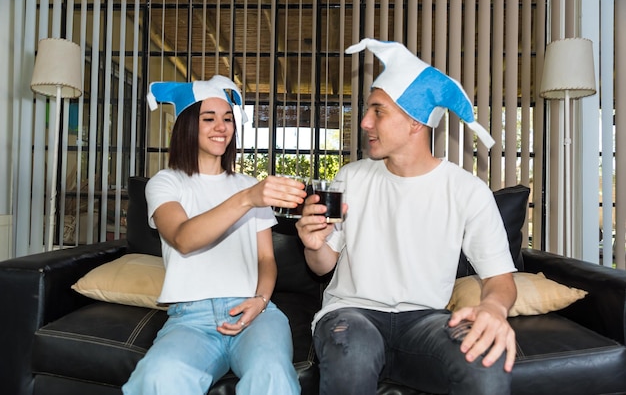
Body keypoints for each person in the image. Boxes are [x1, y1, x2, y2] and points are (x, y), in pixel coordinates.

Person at [296, 39, 517, 395]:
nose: (365, 121)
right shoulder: (350, 177)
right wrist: (313, 244)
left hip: (426, 320)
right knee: (351, 359)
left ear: (415, 122)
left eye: (378, 111)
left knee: (487, 368)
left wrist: (492, 307)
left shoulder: (467, 190)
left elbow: (500, 280)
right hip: (353, 313)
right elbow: (322, 266)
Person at [122, 75, 305, 395]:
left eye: (227, 119)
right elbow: (183, 237)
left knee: (272, 375)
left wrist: (260, 301)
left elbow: (266, 258)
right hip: (192, 318)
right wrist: (248, 198)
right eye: (209, 118)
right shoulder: (166, 183)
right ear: (187, 125)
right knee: (159, 378)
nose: (221, 127)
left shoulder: (248, 184)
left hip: (255, 313)